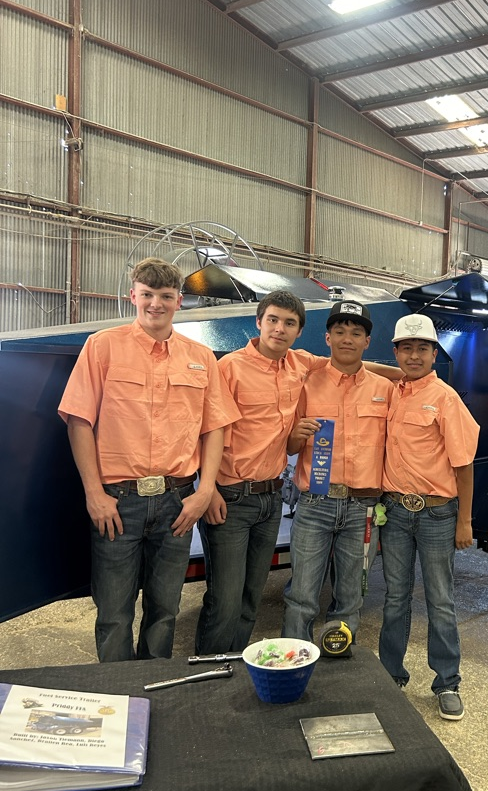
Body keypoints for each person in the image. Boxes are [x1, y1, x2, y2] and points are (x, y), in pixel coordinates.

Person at [195, 292, 398, 654]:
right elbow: (210, 429)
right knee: (244, 598)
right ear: (259, 322)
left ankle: (322, 663)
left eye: (289, 323)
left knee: (258, 599)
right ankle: (236, 665)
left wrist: (409, 376)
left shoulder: (307, 368)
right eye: (273, 320)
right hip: (247, 497)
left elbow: (356, 371)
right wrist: (206, 487)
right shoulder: (238, 369)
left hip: (306, 502)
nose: (279, 328)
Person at [59, 257, 240, 662]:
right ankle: (118, 700)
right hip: (118, 502)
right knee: (114, 612)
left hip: (178, 502)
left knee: (164, 611)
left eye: (165, 296)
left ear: (179, 301)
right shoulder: (102, 347)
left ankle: (153, 688)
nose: (155, 304)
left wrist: (204, 490)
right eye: (147, 295)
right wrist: (94, 493)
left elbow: (214, 428)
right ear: (132, 297)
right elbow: (78, 422)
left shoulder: (200, 357)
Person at [378, 314, 479, 722]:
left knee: (440, 600)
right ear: (397, 352)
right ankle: (390, 675)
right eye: (406, 348)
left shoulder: (446, 399)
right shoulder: (393, 391)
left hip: (437, 514)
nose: (414, 355)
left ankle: (447, 682)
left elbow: (464, 465)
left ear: (435, 354)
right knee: (395, 597)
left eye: (422, 348)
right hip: (397, 512)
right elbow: (386, 371)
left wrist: (465, 521)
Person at [282, 301, 394, 642]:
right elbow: (288, 447)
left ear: (367, 342)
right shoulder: (306, 383)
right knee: (301, 596)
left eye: (356, 333)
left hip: (363, 511)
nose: (348, 338)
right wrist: (295, 437)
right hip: (315, 505)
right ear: (327, 337)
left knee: (351, 597)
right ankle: (294, 664)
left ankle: (338, 667)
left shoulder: (384, 390)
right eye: (341, 331)